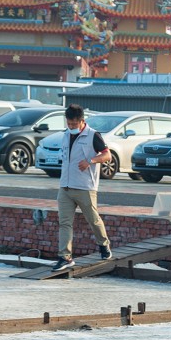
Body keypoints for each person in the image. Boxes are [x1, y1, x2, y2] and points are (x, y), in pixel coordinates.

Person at [51, 104, 113, 272]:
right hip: (65, 187)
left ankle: (104, 245)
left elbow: (107, 155)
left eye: (74, 124)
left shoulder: (93, 135)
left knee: (93, 219)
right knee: (64, 222)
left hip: (85, 187)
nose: (71, 127)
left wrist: (90, 161)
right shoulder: (65, 135)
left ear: (82, 121)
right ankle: (65, 257)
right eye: (68, 123)